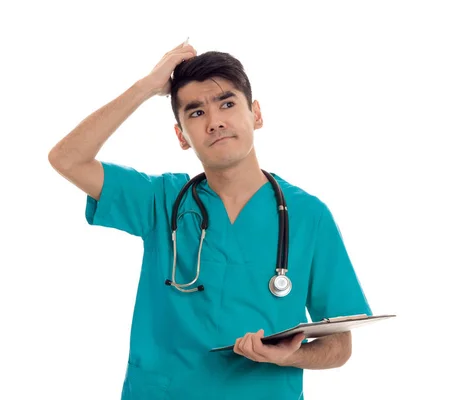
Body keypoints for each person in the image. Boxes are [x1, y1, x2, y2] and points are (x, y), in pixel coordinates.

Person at [48, 40, 372, 400]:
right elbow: (67, 159)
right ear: (181, 136)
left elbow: (340, 345)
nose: (215, 121)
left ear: (257, 115)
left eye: (228, 104)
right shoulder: (161, 201)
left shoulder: (309, 216)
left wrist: (289, 354)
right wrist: (147, 86)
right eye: (196, 113)